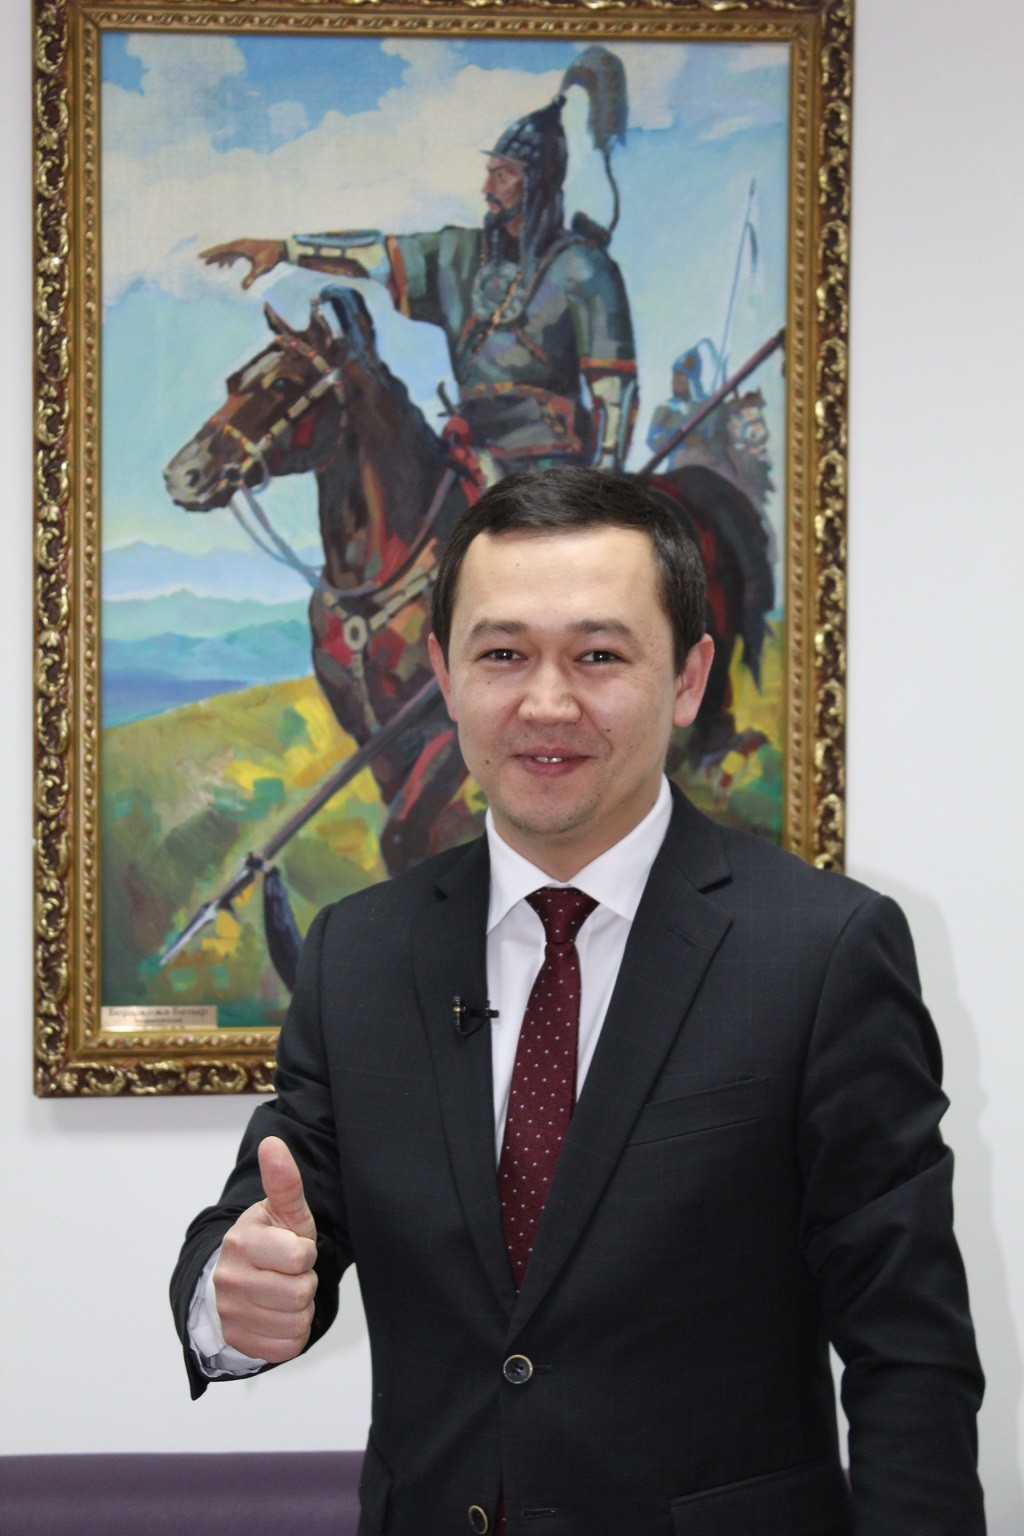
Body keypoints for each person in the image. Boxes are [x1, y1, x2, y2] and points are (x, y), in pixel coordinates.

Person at [172, 467, 985, 1536]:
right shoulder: (359, 954)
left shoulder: (822, 950)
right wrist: (235, 1298)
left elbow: (909, 1351)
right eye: (502, 655)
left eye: (599, 656)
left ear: (688, 678)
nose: (546, 703)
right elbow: (268, 1220)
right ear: (444, 675)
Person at [200, 49, 637, 480]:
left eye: (503, 174)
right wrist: (284, 249)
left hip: (551, 461)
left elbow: (613, 391)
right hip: (470, 452)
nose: (487, 187)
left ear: (538, 182)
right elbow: (370, 254)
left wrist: (607, 481)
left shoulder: (582, 267)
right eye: (489, 171)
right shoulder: (457, 253)